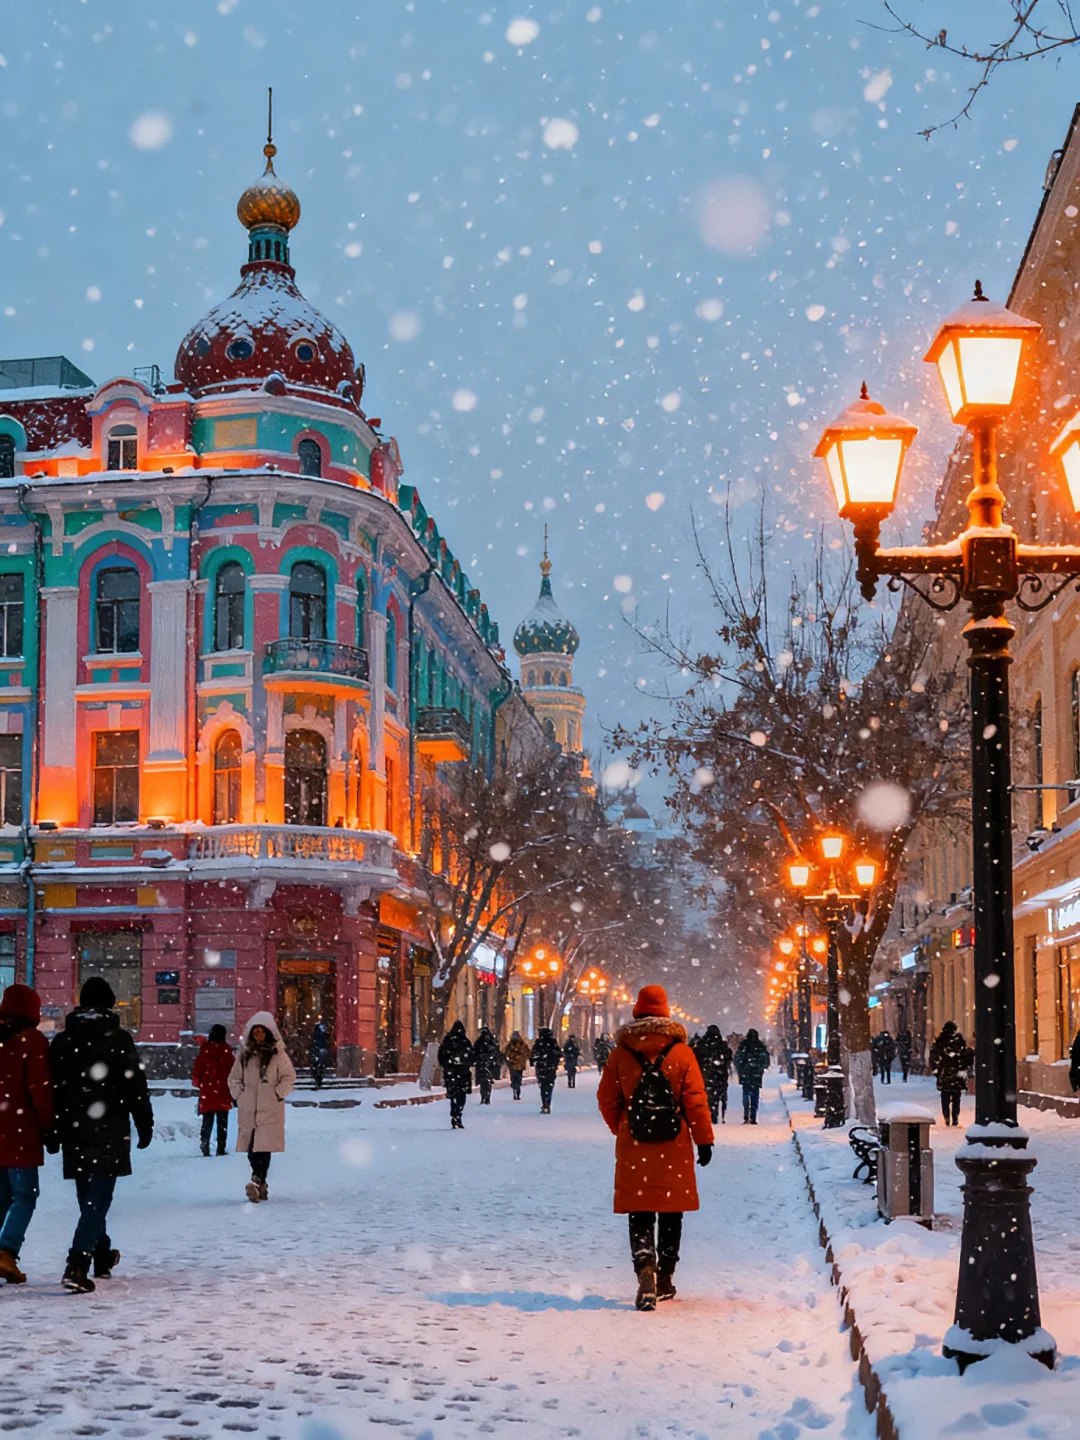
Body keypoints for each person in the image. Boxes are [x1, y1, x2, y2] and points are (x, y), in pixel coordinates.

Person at [597, 984, 714, 1311]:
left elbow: (606, 1098)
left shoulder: (621, 1053)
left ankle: (644, 1268)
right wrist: (703, 1140)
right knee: (671, 1209)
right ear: (665, 1012)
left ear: (638, 1010)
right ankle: (665, 1277)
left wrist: (623, 1126)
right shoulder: (681, 1053)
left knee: (641, 1209)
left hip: (635, 1144)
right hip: (673, 1142)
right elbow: (696, 1101)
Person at [49, 976, 154, 1293]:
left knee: (89, 1196)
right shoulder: (119, 1039)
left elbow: (52, 1088)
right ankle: (78, 1262)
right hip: (110, 1125)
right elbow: (134, 1084)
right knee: (98, 1198)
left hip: (74, 1128)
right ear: (109, 1004)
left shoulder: (63, 1041)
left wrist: (52, 1129)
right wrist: (144, 1122)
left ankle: (103, 1254)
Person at [0, 984, 55, 1284]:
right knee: (25, 1194)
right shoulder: (32, 1041)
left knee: (2, 1195)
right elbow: (41, 1091)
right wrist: (49, 1126)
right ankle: (7, 1250)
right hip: (20, 1132)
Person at [229, 1012, 296, 1201]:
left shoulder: (278, 1055)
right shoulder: (244, 1056)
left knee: (263, 1148)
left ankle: (256, 1180)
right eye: (255, 1032)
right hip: (249, 1108)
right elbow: (234, 1077)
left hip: (269, 1109)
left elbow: (289, 1077)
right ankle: (260, 1184)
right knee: (251, 1149)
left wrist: (277, 1093)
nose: (258, 1035)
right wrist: (239, 1094)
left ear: (268, 1033)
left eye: (261, 1031)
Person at [191, 1024, 235, 1156]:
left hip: (208, 1090)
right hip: (222, 1090)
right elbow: (232, 1069)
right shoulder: (226, 1050)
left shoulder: (205, 1049)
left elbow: (197, 1068)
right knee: (222, 1123)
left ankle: (205, 1143)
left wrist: (199, 1082)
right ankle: (221, 1148)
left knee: (207, 1120)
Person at [929, 1020, 969, 1126]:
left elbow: (933, 1057)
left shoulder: (940, 1041)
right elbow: (964, 1056)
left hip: (945, 1073)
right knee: (956, 1097)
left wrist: (937, 1070)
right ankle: (955, 1116)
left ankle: (946, 1116)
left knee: (945, 1096)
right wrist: (962, 1068)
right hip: (956, 1074)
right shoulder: (959, 1041)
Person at [437, 1020, 474, 1129]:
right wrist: (465, 1063)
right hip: (461, 1073)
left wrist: (448, 1065)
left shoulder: (448, 1040)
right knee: (461, 1096)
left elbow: (441, 1056)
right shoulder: (464, 1041)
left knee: (454, 1095)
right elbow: (471, 1056)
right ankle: (458, 1114)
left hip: (452, 1074)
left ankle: (455, 1114)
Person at [696, 1025, 733, 1124]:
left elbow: (697, 1058)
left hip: (706, 1075)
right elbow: (728, 1058)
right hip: (720, 1076)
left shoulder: (702, 1044)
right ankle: (715, 1112)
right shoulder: (722, 1045)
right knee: (717, 1095)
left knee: (708, 1095)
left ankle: (709, 1112)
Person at [734, 1028, 770, 1124]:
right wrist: (760, 1068)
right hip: (756, 1075)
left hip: (746, 1074)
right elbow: (766, 1060)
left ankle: (746, 1115)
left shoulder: (744, 1045)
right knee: (755, 1094)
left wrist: (740, 1069)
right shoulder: (760, 1046)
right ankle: (753, 1115)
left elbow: (737, 1058)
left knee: (746, 1094)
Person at [530, 1027, 563, 1113]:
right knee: (549, 1086)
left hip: (541, 1068)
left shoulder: (538, 1043)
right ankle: (547, 1102)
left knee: (543, 1086)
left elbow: (533, 1055)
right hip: (550, 1068)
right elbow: (559, 1053)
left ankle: (545, 1103)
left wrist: (535, 1061)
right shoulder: (553, 1043)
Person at [473, 1024, 502, 1105]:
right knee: (487, 1083)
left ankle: (484, 1097)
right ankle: (486, 1097)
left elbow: (474, 1052)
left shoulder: (479, 1042)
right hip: (488, 1065)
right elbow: (496, 1053)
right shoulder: (491, 1042)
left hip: (483, 1065)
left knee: (484, 1083)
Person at [504, 1031, 531, 1100]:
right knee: (518, 1078)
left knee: (514, 1078)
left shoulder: (510, 1045)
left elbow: (506, 1053)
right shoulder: (522, 1044)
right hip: (519, 1065)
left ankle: (515, 1090)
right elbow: (528, 1053)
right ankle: (517, 1090)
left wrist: (509, 1059)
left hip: (513, 1064)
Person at [308, 1020, 332, 1089]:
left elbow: (327, 1043)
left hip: (321, 1052)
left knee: (320, 1067)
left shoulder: (324, 1034)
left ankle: (318, 1080)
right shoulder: (317, 1034)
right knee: (317, 1067)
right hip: (317, 1052)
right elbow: (314, 1043)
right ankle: (317, 1080)